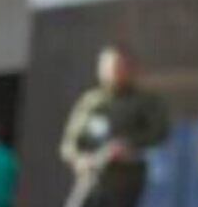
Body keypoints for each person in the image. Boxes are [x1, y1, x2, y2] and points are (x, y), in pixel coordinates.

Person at [59, 45, 170, 207]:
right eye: (107, 67)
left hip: (128, 182)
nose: (112, 72)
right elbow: (69, 143)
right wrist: (79, 159)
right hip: (92, 180)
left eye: (118, 66)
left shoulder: (145, 102)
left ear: (131, 69)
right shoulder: (90, 102)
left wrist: (129, 145)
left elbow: (160, 133)